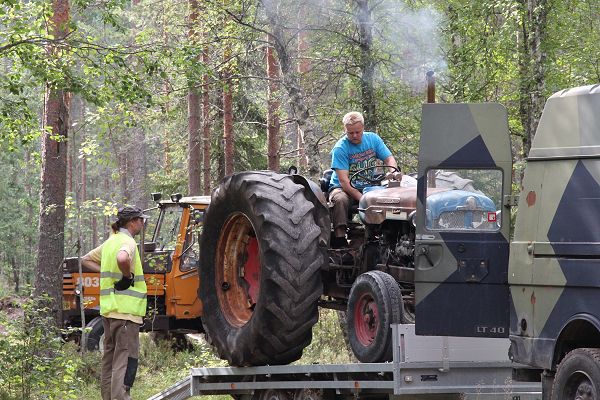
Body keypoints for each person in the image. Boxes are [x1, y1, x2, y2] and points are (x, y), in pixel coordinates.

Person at [82, 206, 149, 400]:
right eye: (141, 220)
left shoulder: (110, 242)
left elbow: (86, 259)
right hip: (126, 313)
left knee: (109, 360)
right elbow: (122, 258)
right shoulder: (127, 241)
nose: (143, 224)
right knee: (126, 359)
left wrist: (108, 273)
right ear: (132, 222)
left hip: (109, 311)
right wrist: (126, 276)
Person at [328, 111, 400, 248]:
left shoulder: (373, 139)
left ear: (363, 128)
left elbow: (389, 158)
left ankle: (386, 237)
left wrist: (393, 172)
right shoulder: (340, 148)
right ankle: (340, 239)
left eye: (357, 132)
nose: (354, 136)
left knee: (391, 198)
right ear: (345, 130)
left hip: (368, 185)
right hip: (343, 187)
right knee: (340, 200)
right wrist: (364, 200)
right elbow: (344, 182)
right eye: (350, 133)